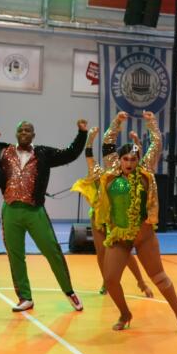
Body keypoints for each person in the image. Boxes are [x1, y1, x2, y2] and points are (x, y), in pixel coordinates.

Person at [0, 116, 87, 312]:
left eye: (27, 130)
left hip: (35, 211)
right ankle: (25, 297)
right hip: (10, 210)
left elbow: (70, 154)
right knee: (15, 255)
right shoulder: (3, 151)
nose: (24, 133)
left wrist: (82, 133)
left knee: (52, 251)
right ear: (16, 134)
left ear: (33, 135)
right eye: (21, 130)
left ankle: (69, 291)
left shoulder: (43, 153)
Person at [96, 111, 177, 334]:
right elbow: (108, 140)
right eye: (125, 158)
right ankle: (125, 314)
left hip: (144, 235)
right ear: (119, 160)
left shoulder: (145, 171)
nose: (129, 162)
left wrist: (152, 123)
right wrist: (117, 121)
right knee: (110, 280)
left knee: (159, 278)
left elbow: (156, 144)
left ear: (138, 160)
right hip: (119, 236)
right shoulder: (112, 171)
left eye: (133, 159)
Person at [70, 126, 154, 298]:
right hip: (97, 217)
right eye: (123, 159)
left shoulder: (120, 176)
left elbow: (137, 159)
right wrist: (90, 139)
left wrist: (136, 142)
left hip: (114, 218)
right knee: (101, 253)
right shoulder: (99, 173)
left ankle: (141, 282)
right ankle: (106, 281)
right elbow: (89, 158)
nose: (126, 163)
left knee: (125, 252)